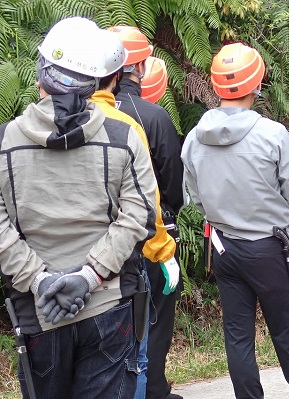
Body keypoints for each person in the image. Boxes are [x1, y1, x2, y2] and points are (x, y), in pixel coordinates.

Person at [0, 17, 158, 398]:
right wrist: (88, 277)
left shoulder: (4, 142)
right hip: (107, 305)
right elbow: (141, 217)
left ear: (40, 74)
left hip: (39, 311)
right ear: (98, 82)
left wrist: (41, 281)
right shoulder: (123, 138)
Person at [181, 42, 289, 398]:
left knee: (238, 336)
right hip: (269, 246)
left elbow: (194, 197)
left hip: (225, 247)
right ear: (257, 85)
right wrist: (278, 221)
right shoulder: (271, 133)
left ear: (215, 86)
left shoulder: (195, 138)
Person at [87, 27, 179, 399]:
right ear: (140, 64)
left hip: (88, 246)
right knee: (151, 319)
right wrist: (165, 239)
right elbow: (165, 187)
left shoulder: (74, 115)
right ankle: (152, 387)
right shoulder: (150, 117)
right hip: (146, 238)